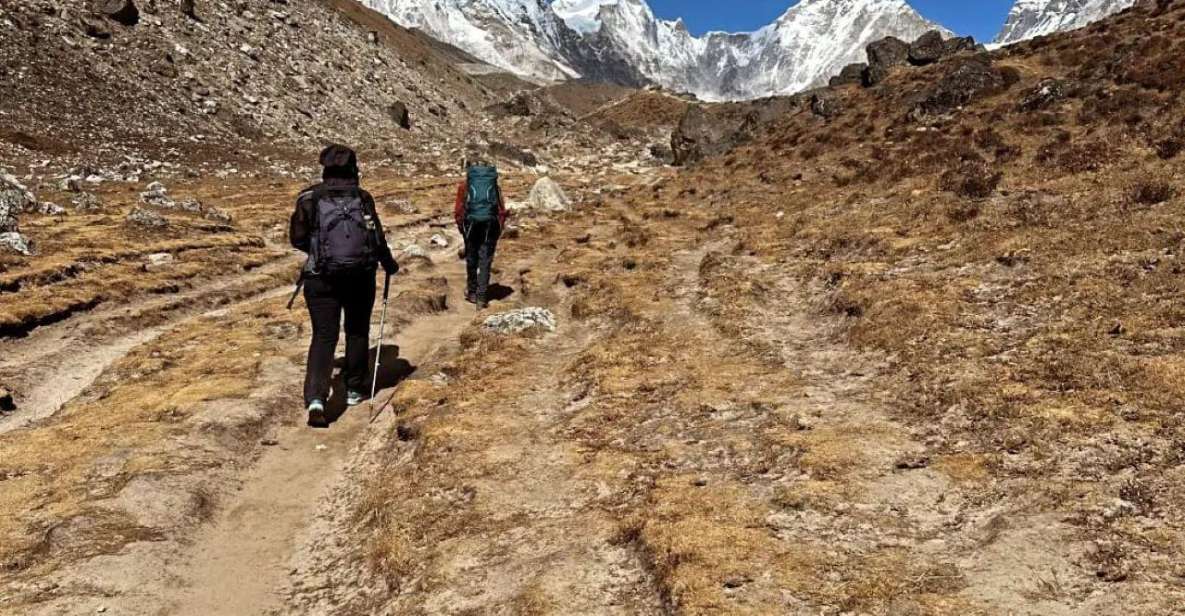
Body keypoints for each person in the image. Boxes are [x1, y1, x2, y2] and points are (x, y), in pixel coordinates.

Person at [290, 145, 398, 428]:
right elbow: (376, 239)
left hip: (320, 277)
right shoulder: (362, 198)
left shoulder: (309, 198)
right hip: (360, 276)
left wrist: (319, 251)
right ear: (354, 169)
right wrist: (388, 264)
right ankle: (353, 389)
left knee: (324, 336)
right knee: (357, 330)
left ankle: (316, 398)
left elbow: (297, 238)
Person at [454, 160, 509, 309]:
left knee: (471, 258)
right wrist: (498, 229)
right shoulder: (494, 187)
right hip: (490, 226)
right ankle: (482, 297)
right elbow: (501, 210)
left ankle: (472, 292)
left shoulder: (464, 186)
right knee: (485, 260)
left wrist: (462, 228)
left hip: (470, 226)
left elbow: (459, 210)